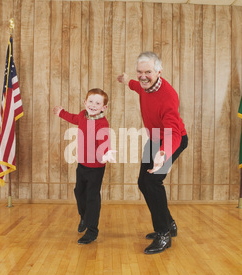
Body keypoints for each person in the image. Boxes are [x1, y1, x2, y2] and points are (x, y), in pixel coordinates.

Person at [117, 52, 188, 254]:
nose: (143, 76)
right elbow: (136, 86)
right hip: (156, 137)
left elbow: (174, 132)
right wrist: (125, 80)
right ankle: (169, 223)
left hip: (172, 140)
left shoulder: (168, 97)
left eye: (148, 72)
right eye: (140, 72)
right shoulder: (143, 85)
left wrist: (163, 154)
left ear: (159, 71)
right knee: (143, 182)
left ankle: (163, 234)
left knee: (153, 181)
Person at [53, 88, 116, 245]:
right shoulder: (83, 115)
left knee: (92, 197)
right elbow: (73, 118)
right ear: (85, 102)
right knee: (79, 192)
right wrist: (61, 112)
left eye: (98, 103)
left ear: (104, 107)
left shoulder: (103, 123)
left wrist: (107, 153)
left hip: (96, 167)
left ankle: (92, 231)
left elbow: (104, 141)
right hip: (82, 163)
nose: (93, 105)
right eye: (91, 102)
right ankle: (84, 217)